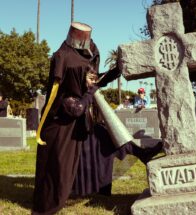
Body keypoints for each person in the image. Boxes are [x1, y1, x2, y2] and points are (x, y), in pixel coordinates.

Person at [33, 22, 162, 215]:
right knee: (60, 173)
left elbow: (95, 81)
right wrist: (90, 92)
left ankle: (141, 153)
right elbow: (76, 108)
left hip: (79, 125)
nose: (91, 76)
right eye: (87, 73)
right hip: (62, 129)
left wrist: (115, 71)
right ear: (77, 74)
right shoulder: (66, 84)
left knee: (106, 136)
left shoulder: (81, 67)